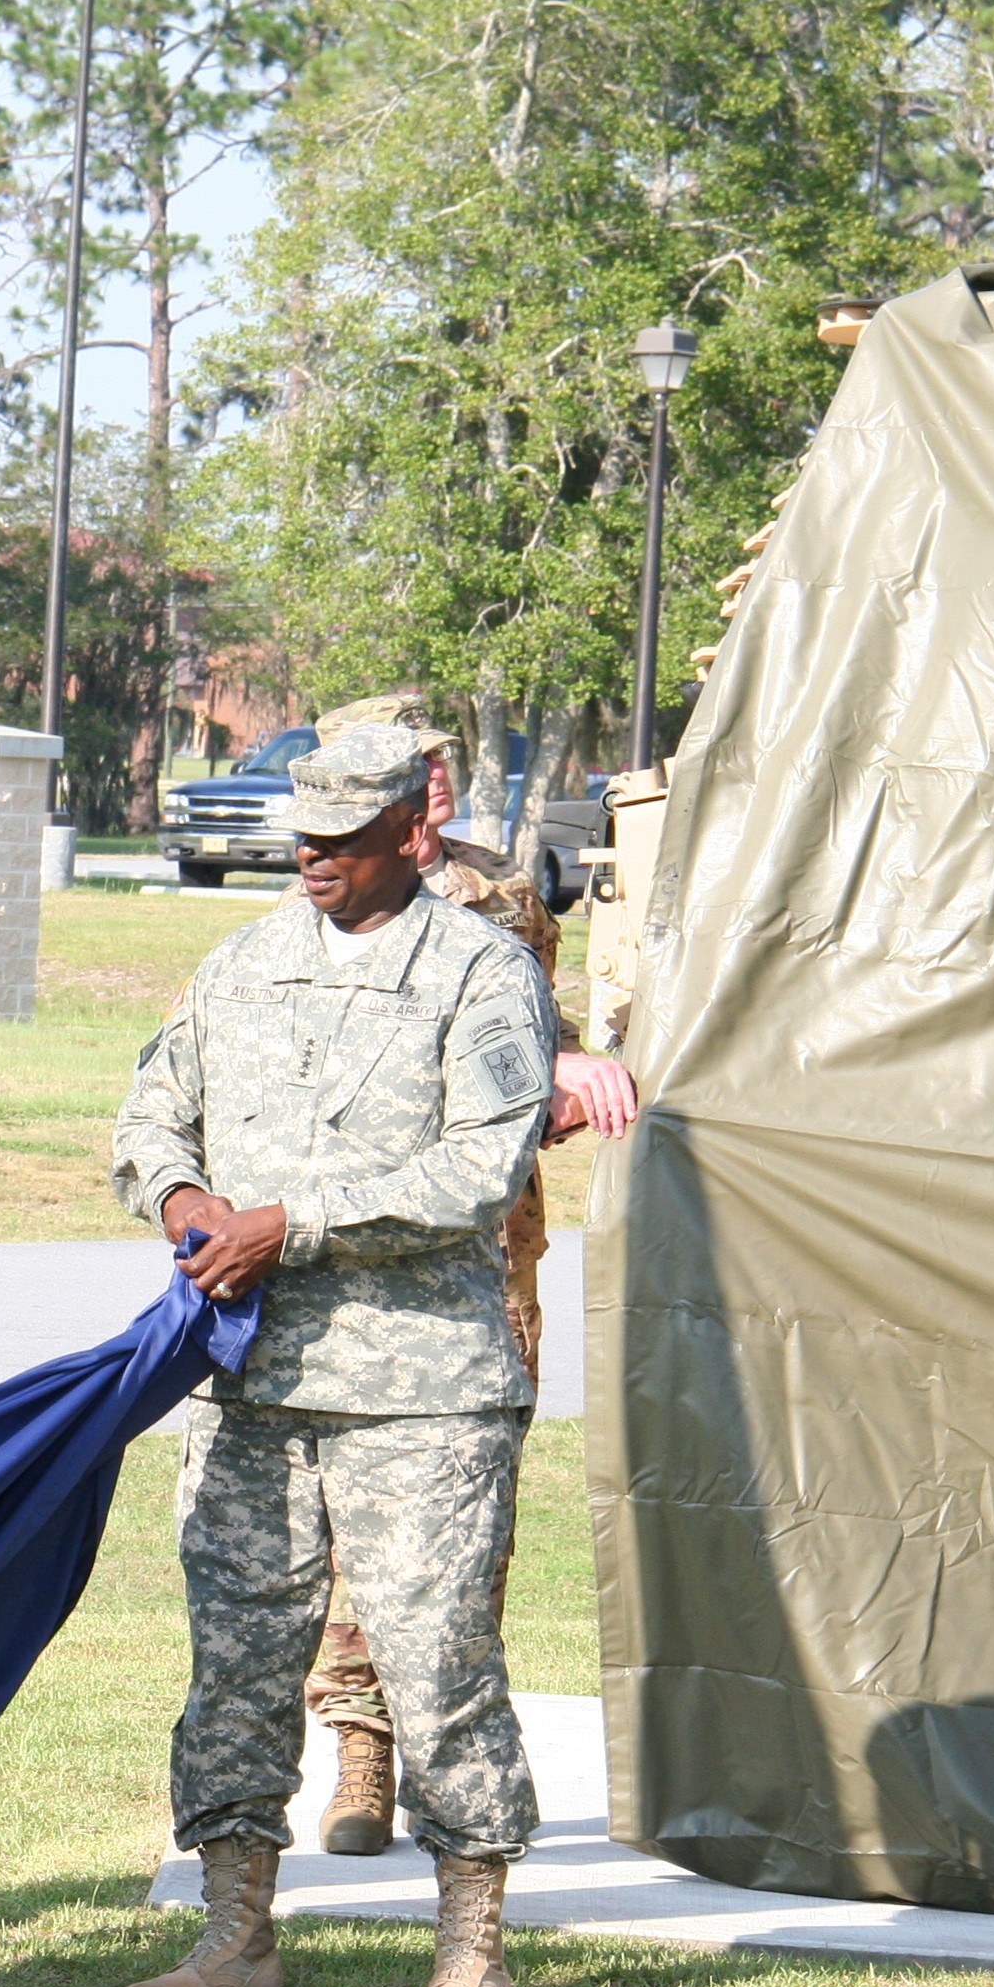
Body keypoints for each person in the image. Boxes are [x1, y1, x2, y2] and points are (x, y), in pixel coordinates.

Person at [110, 725, 558, 1987]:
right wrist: (186, 1195)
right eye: (300, 842)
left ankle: (471, 1952)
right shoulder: (241, 966)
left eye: (341, 846)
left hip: (421, 1390)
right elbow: (149, 1114)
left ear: (407, 839)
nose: (311, 864)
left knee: (438, 1666)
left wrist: (289, 1223)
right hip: (251, 1389)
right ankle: (236, 1936)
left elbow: (483, 1165)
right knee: (238, 1666)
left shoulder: (479, 971)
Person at [288, 695, 641, 1854]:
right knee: (356, 1521)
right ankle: (361, 1757)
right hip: (365, 1260)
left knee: (469, 1518)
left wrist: (571, 1075)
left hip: (495, 1262)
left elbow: (533, 1056)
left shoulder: (508, 897)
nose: (434, 778)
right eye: (408, 765)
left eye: (439, 759)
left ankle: (448, 1758)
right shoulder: (316, 913)